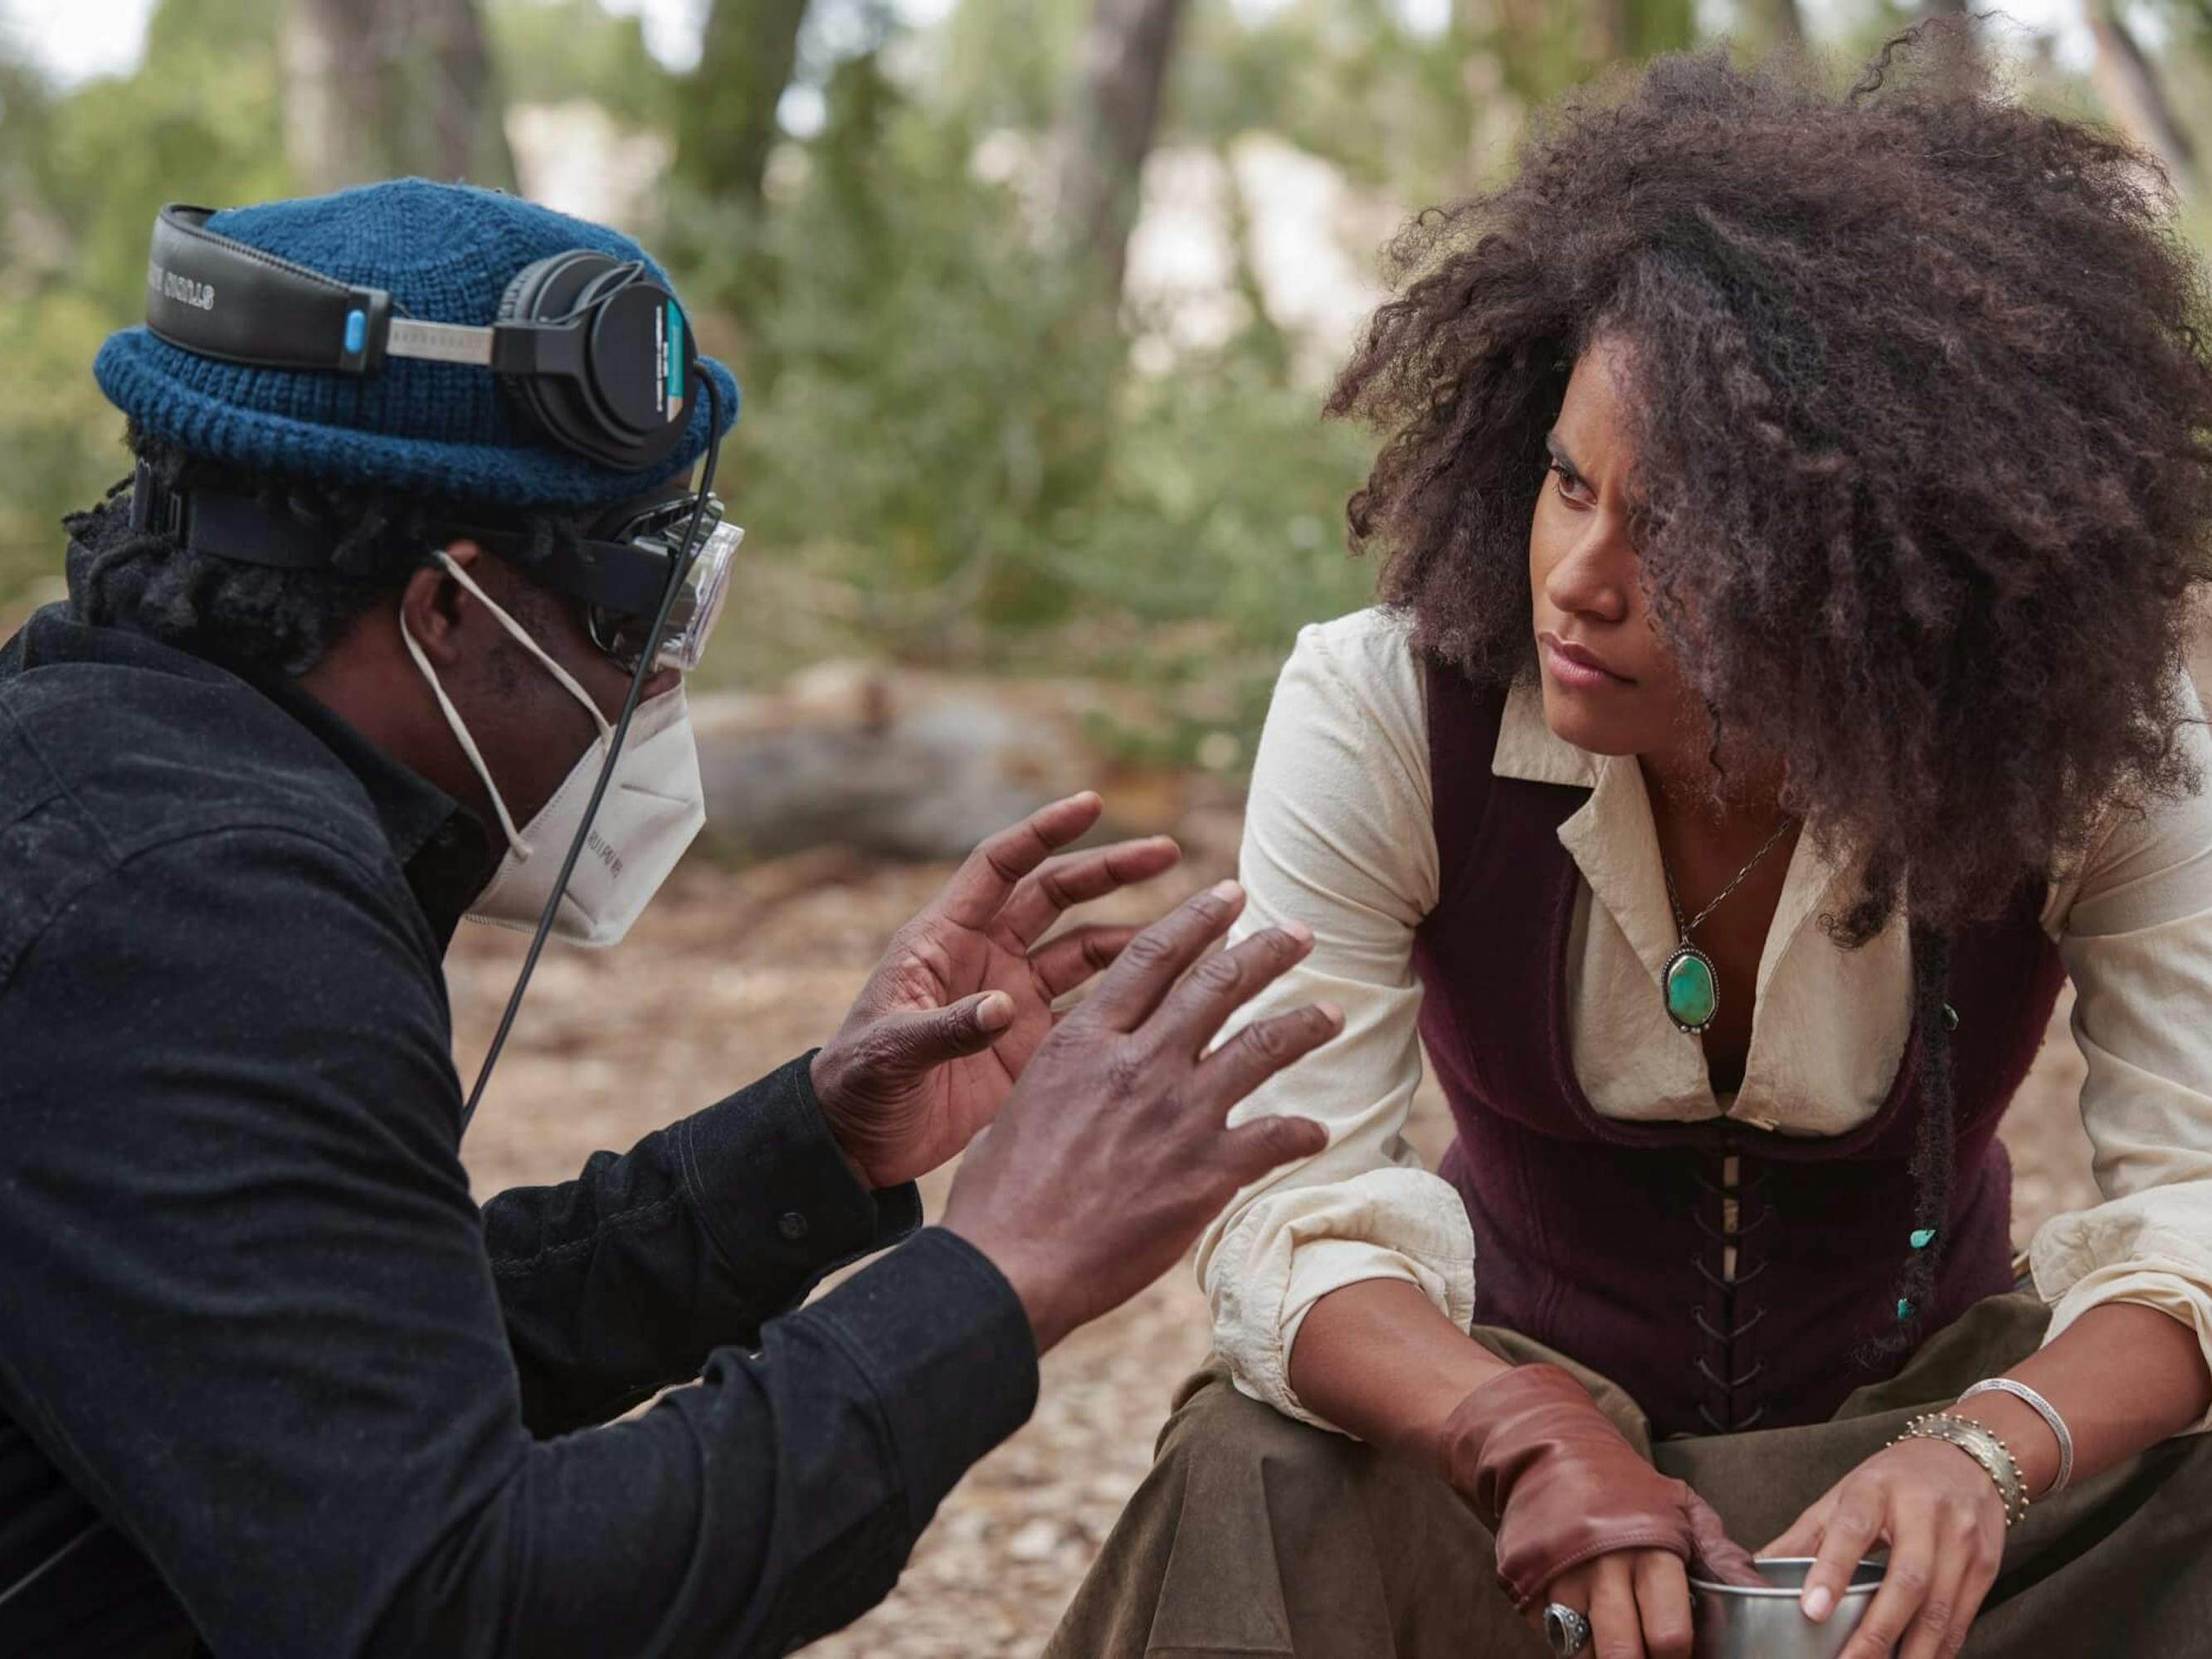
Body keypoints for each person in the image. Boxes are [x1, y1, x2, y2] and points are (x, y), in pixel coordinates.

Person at [0, 180, 1343, 1657]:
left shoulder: (106, 779)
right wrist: (1001, 1274)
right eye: (641, 613)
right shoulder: (202, 913)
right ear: (451, 611)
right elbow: (465, 1608)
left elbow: (318, 1361)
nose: (658, 685)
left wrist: (816, 1151)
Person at [1050, 28, 2212, 1659]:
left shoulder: (2072, 743)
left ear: (1876, 565)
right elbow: (1287, 1201)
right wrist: (1511, 1431)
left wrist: (1987, 1451)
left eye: (1672, 530)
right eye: (1565, 482)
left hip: (1921, 1482)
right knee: (1252, 1465)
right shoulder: (1387, 703)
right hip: (1515, 1470)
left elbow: (2201, 1204)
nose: (1577, 578)